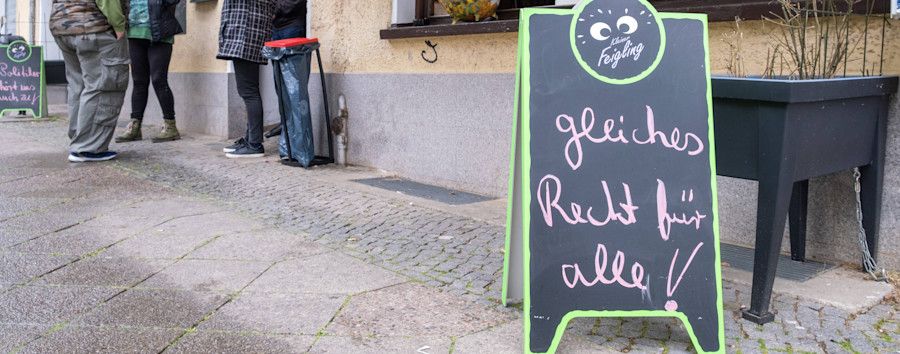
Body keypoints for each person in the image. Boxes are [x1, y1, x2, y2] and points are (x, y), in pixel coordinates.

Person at [50, 0, 129, 162]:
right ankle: (88, 148)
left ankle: (79, 138)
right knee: (103, 84)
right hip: (93, 27)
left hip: (62, 26)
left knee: (79, 85)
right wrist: (119, 25)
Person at [115, 0, 184, 143]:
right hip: (134, 34)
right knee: (139, 82)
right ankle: (135, 126)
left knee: (159, 80)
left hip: (160, 33)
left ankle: (170, 126)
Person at [218, 0, 276, 158]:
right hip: (249, 32)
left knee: (249, 91)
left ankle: (255, 144)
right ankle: (250, 139)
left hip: (244, 33)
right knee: (249, 90)